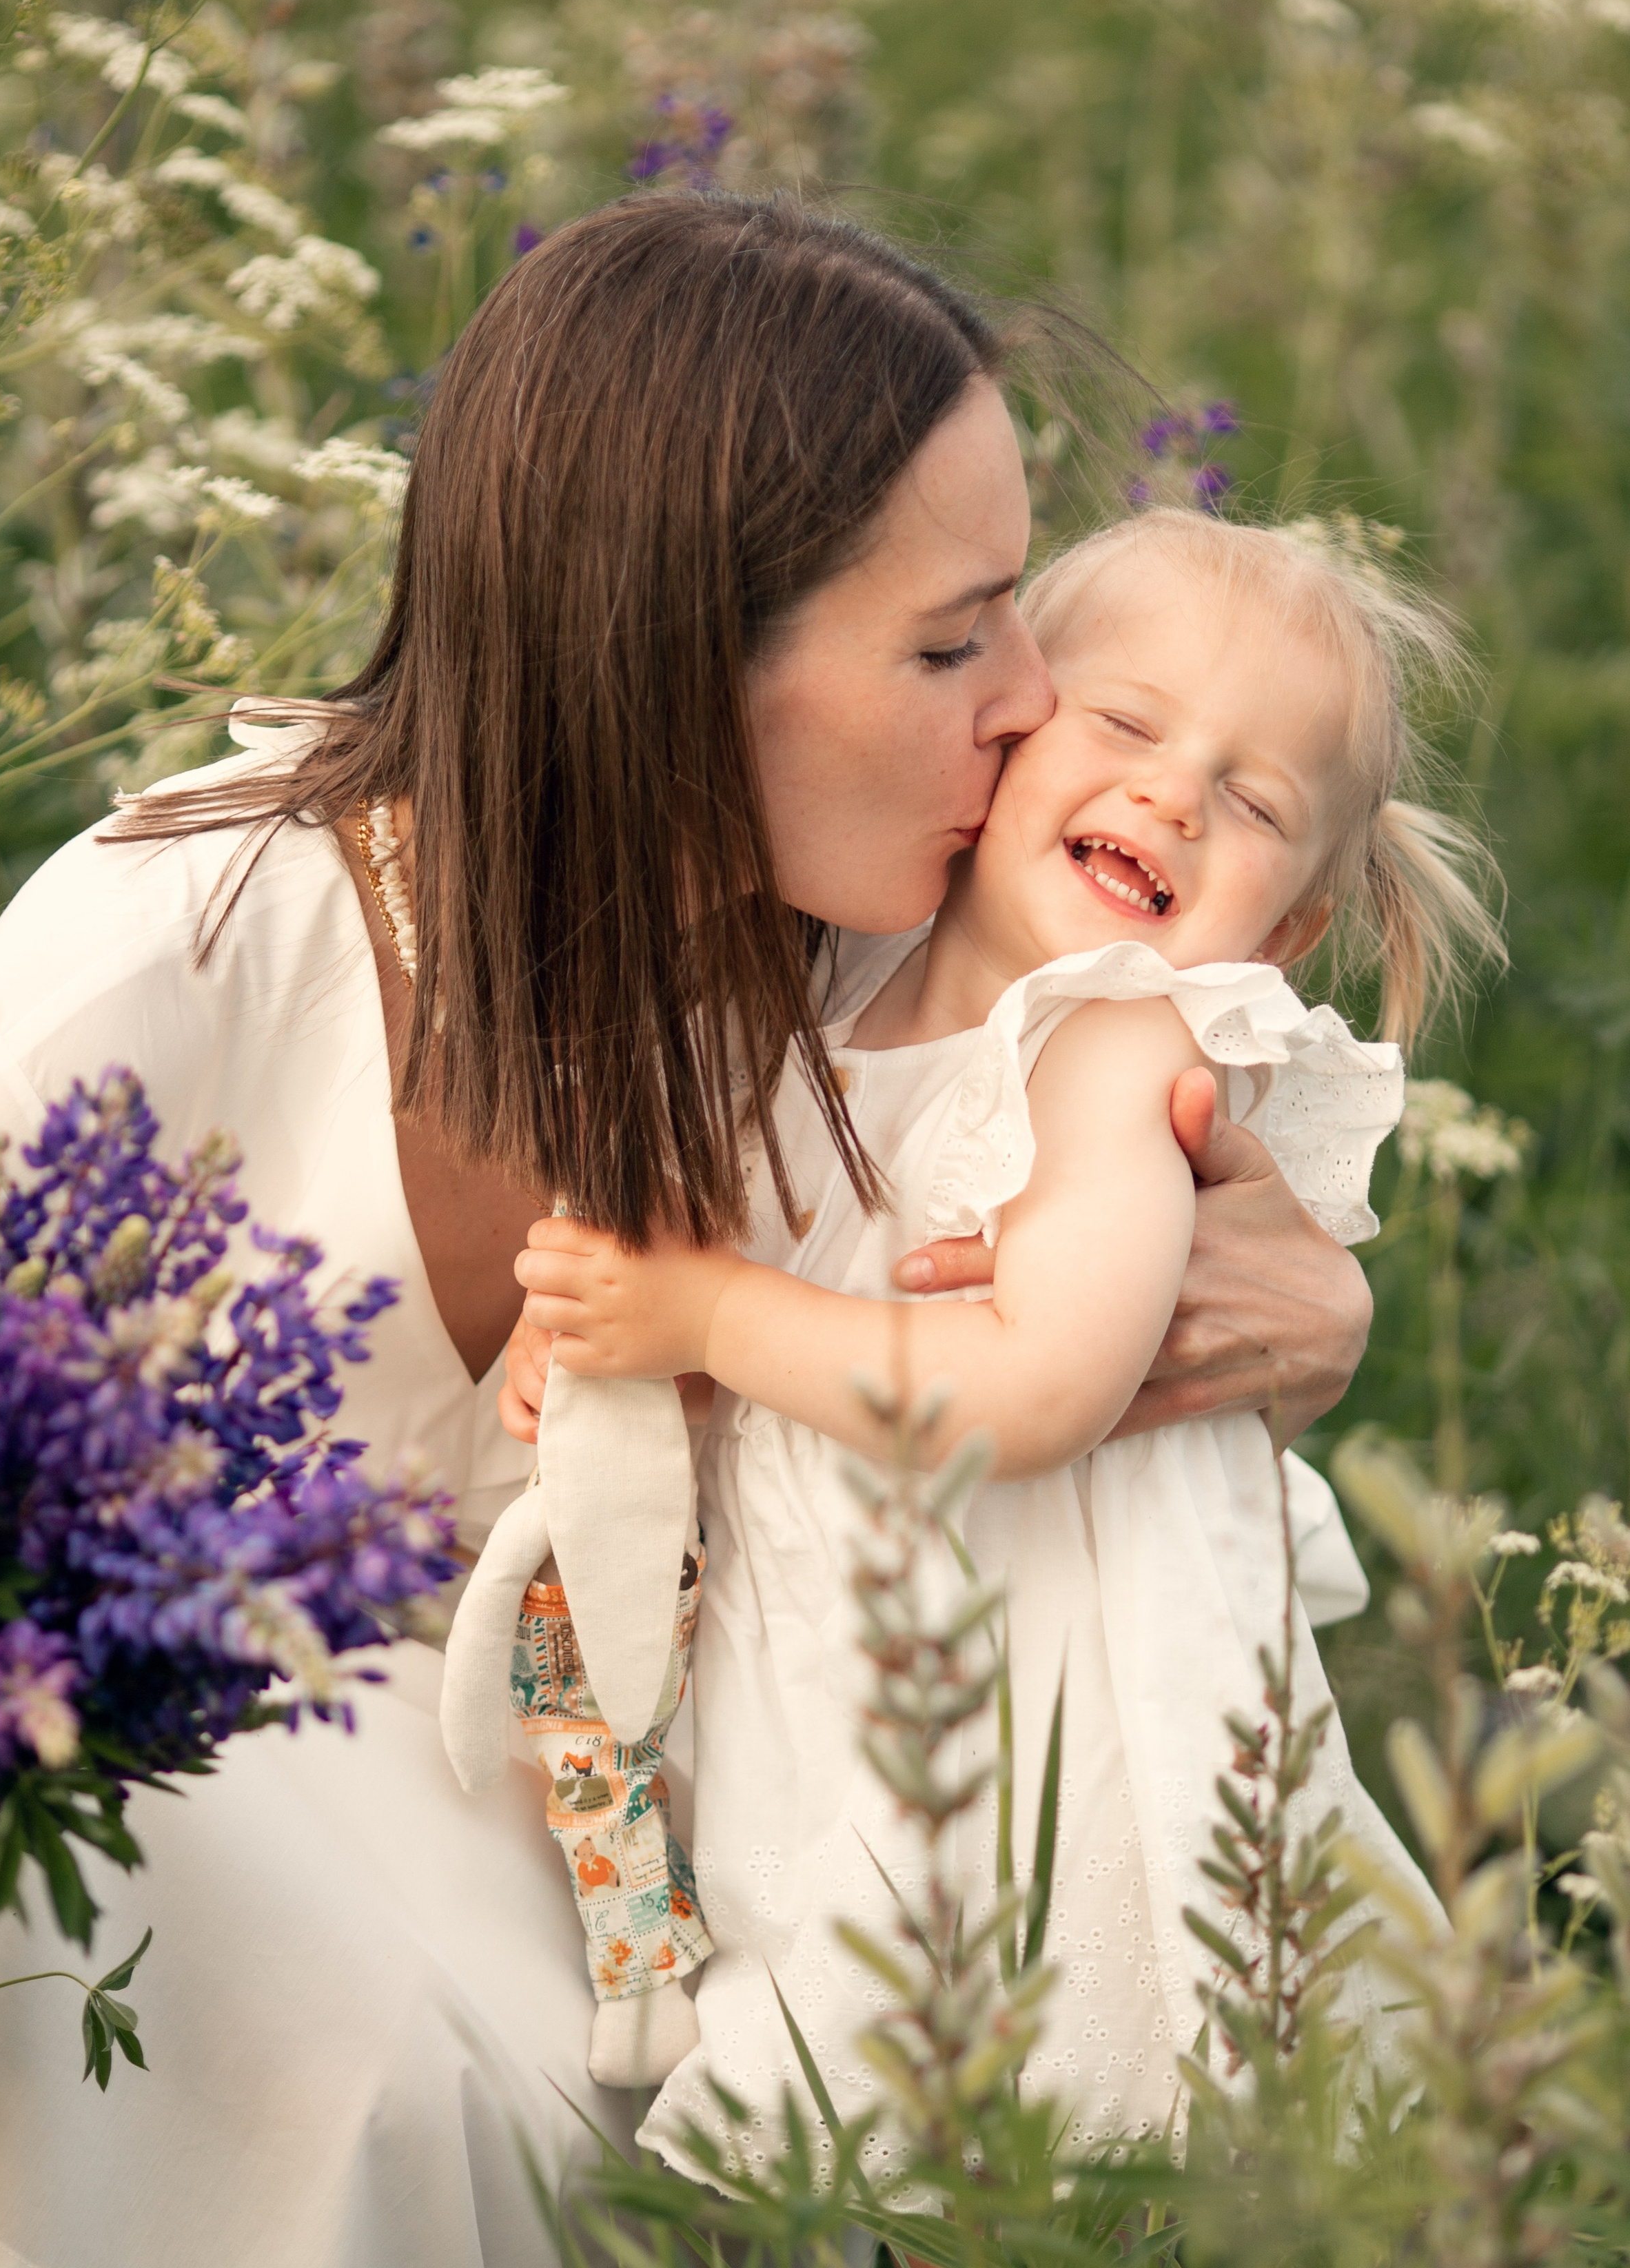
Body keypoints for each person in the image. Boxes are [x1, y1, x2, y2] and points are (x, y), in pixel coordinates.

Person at [0, 196, 1373, 2268]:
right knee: (235, 1880)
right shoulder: (182, 948)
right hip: (105, 1874)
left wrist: (1301, 1294)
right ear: (679, 663)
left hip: (639, 1931)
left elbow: (1117, 1230)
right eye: (960, 640)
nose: (1032, 715)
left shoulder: (836, 988)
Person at [514, 506, 1502, 2177]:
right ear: (1003, 737)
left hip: (1045, 1738)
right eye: (1122, 725)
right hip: (860, 1696)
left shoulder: (1110, 1048)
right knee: (918, 2182)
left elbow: (1038, 1387)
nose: (1172, 793)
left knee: (1012, 2166)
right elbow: (821, 1312)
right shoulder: (834, 998)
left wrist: (711, 1313)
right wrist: (626, 1366)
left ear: (1275, 942)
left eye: (1251, 801)